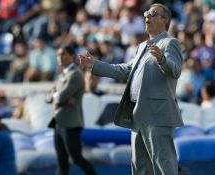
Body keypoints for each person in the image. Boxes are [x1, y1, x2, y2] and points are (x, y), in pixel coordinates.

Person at [79, 3, 183, 175]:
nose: (147, 16)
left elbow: (176, 71)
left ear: (164, 20)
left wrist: (162, 60)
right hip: (138, 112)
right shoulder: (142, 46)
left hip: (158, 114)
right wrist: (95, 64)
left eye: (152, 13)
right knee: (139, 167)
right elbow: (126, 70)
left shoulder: (169, 43)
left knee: (163, 166)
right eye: (146, 13)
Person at [46, 45, 97, 175]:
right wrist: (57, 95)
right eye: (58, 54)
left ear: (72, 56)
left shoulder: (75, 74)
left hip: (70, 123)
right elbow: (49, 97)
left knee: (76, 159)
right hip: (59, 122)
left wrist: (56, 95)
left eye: (63, 54)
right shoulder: (63, 74)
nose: (59, 57)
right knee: (61, 161)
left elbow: (60, 96)